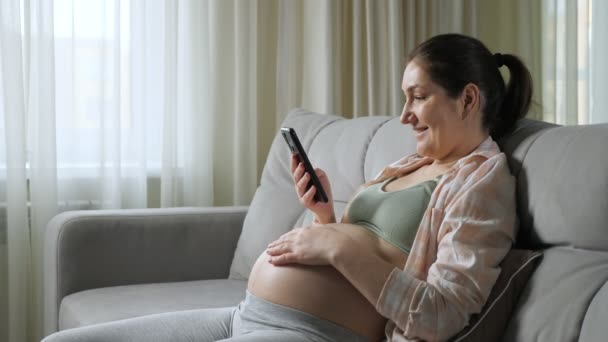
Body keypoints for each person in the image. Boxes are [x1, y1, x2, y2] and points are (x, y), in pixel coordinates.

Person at [43, 33, 531, 342]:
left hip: (309, 332)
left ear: (468, 99)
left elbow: (441, 315)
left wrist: (335, 249)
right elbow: (372, 250)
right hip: (242, 316)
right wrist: (324, 219)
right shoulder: (407, 164)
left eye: (417, 98)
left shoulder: (483, 182)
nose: (403, 115)